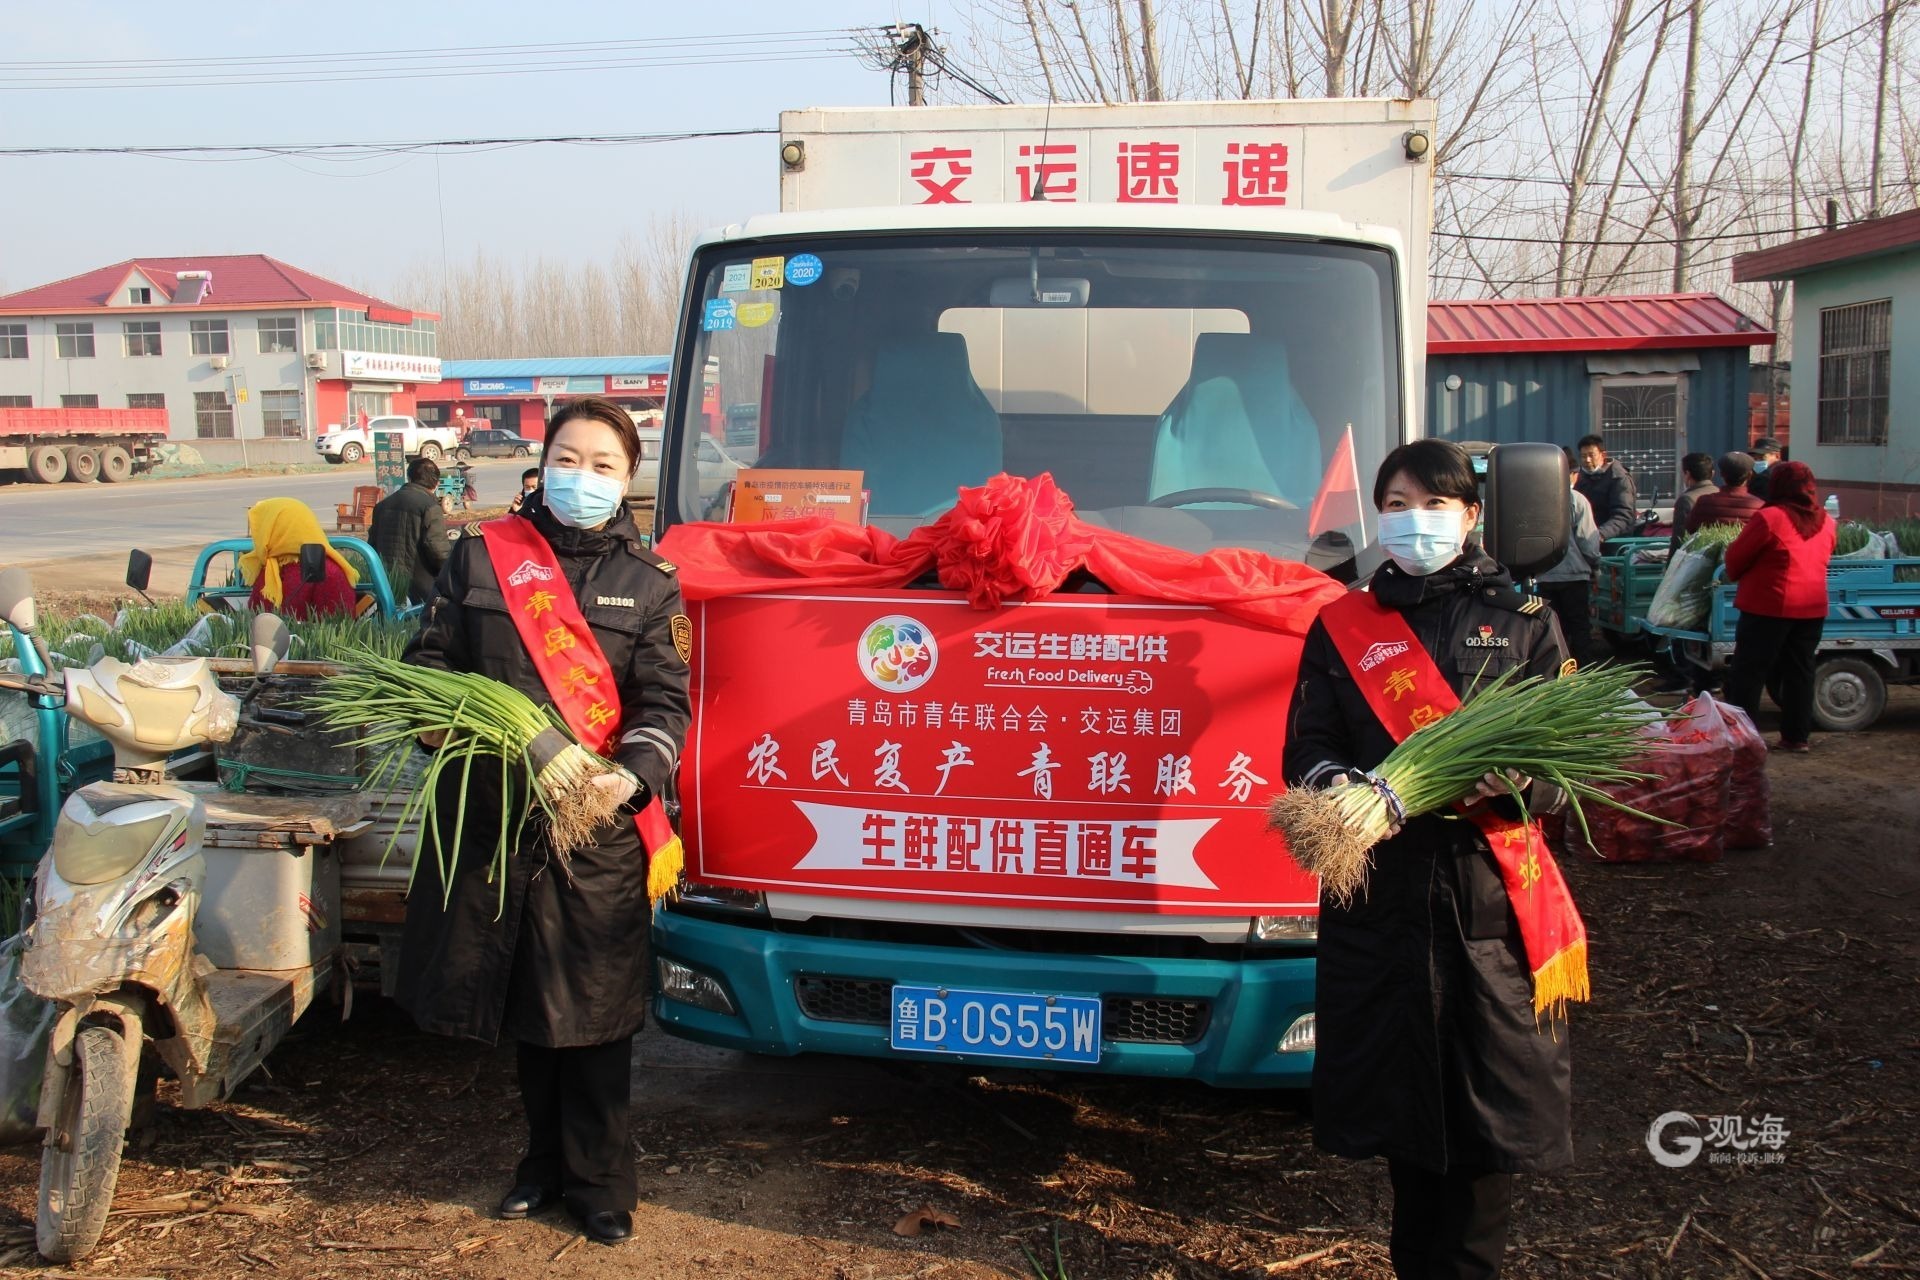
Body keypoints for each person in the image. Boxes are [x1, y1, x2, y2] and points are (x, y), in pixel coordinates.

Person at [398, 396, 690, 1247]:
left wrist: (633, 780)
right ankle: (540, 1166)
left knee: (593, 1013)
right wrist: (473, 734)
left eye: (604, 465)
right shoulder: (483, 557)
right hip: (496, 818)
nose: (584, 477)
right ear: (543, 461)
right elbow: (430, 669)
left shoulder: (651, 581)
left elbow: (664, 701)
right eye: (570, 458)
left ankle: (601, 1182)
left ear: (627, 480)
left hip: (594, 829)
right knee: (527, 1004)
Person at [1285, 439, 1576, 1280]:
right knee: (1404, 1110)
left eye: (1437, 503)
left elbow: (1567, 768)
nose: (1417, 520)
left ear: (1473, 514)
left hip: (1492, 903)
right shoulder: (1345, 626)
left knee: (1489, 1116)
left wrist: (1518, 780)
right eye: (1399, 502)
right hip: (1382, 898)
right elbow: (1304, 747)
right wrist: (1352, 790)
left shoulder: (1525, 622)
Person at [1722, 460, 1835, 752]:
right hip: (1812, 608)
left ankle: (1744, 740)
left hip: (1767, 607)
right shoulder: (1827, 522)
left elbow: (1735, 561)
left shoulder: (1770, 518)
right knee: (1800, 672)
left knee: (1749, 673)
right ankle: (1797, 737)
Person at [1534, 446, 1602, 668]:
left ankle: (1556, 673)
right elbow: (1587, 541)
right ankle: (1585, 675)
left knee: (1553, 630)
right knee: (1580, 628)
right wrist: (1594, 565)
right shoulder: (1576, 500)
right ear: (1572, 473)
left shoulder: (1538, 499)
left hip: (1545, 576)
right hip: (1574, 576)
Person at [241, 497, 362, 620]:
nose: (258, 538)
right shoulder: (270, 569)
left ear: (277, 531)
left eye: (262, 531)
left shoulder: (327, 573)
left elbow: (336, 628)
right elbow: (255, 617)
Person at [369, 457, 453, 607]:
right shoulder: (430, 507)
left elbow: (372, 545)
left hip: (386, 585)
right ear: (436, 484)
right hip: (420, 589)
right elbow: (439, 552)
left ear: (409, 478)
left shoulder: (382, 505)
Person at [1573, 434, 1638, 543]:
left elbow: (1623, 515)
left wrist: (1601, 534)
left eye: (1591, 455)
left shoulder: (1619, 478)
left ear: (1603, 455)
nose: (1587, 460)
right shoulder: (1580, 477)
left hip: (1614, 542)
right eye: (1583, 456)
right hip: (1585, 539)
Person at [1686, 451, 1765, 534]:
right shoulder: (1759, 506)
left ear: (1721, 474)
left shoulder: (1704, 502)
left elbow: (1690, 529)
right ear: (1750, 475)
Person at [1670, 452, 1717, 555]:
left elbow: (1679, 538)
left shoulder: (1686, 500)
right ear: (1712, 473)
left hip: (1694, 558)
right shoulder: (1720, 494)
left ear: (1687, 474)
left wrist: (1670, 566)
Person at [1747, 437, 1784, 501]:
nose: (1757, 461)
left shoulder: (1764, 478)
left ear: (1777, 456)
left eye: (1762, 457)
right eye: (1755, 458)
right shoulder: (1788, 472)